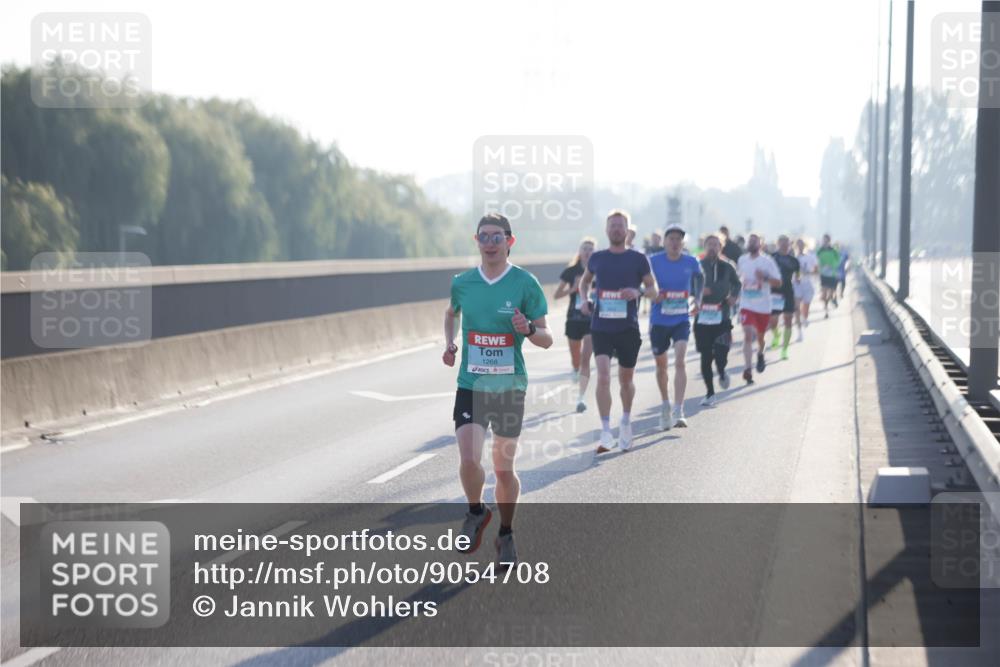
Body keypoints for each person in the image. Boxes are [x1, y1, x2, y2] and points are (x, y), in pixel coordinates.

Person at [443, 213, 553, 568]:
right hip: (471, 384)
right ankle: (476, 511)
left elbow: (547, 338)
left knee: (503, 469)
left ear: (510, 241)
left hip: (509, 387)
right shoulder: (462, 283)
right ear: (476, 241)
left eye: (496, 237)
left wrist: (527, 330)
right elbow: (452, 313)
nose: (490, 243)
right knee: (469, 459)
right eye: (483, 237)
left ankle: (506, 532)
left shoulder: (525, 283)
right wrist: (450, 343)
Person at [579, 209, 658, 453]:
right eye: (612, 225)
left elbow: (654, 290)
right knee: (602, 376)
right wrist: (584, 300)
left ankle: (625, 420)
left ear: (627, 230)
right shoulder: (597, 258)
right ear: (606, 230)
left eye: (620, 226)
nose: (616, 229)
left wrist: (639, 292)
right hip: (601, 325)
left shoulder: (638, 259)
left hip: (628, 328)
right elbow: (584, 282)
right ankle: (605, 431)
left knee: (626, 380)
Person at [648, 224, 703, 429]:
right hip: (659, 321)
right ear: (664, 242)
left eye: (678, 239)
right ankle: (665, 404)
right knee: (661, 366)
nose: (674, 242)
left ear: (683, 242)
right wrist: (654, 294)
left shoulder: (691, 261)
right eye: (671, 239)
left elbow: (699, 279)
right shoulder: (653, 262)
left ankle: (679, 409)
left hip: (681, 319)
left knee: (680, 361)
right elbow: (642, 285)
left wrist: (697, 300)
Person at [694, 235, 741, 406]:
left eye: (716, 244)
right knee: (705, 356)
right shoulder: (698, 265)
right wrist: (698, 292)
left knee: (721, 353)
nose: (712, 247)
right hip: (703, 317)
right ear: (704, 246)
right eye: (709, 244)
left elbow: (737, 284)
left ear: (720, 247)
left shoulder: (727, 266)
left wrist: (733, 297)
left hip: (722, 315)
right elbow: (688, 285)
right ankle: (710, 393)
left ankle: (721, 371)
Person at [554, 237, 597, 412]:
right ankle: (574, 368)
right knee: (576, 357)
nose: (588, 252)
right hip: (573, 318)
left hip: (591, 319)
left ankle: (581, 397)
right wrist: (573, 289)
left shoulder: (599, 270)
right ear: (580, 252)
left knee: (586, 357)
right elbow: (556, 295)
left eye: (591, 249)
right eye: (585, 249)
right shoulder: (570, 271)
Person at [737, 233, 782, 384]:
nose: (752, 243)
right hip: (746, 303)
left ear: (760, 244)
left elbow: (778, 283)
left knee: (760, 337)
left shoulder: (767, 262)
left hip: (763, 305)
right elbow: (738, 278)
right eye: (750, 240)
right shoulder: (742, 260)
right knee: (748, 334)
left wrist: (765, 278)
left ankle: (761, 353)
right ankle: (748, 369)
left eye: (755, 241)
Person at [767, 235, 800, 361]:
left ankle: (784, 349)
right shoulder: (771, 258)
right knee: (773, 321)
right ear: (777, 244)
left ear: (790, 244)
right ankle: (776, 335)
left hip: (788, 292)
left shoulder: (794, 261)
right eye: (782, 243)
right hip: (774, 292)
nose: (784, 245)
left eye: (786, 243)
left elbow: (798, 275)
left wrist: (798, 278)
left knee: (788, 320)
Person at [793, 238, 817, 340]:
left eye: (802, 244)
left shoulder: (811, 257)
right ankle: (799, 333)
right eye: (798, 245)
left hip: (808, 284)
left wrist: (808, 272)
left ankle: (804, 318)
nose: (800, 246)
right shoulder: (793, 258)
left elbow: (816, 271)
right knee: (797, 307)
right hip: (796, 285)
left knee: (806, 307)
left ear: (805, 245)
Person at [816, 234, 841, 318]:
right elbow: (816, 260)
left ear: (829, 241)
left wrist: (832, 265)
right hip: (823, 274)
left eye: (827, 240)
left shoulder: (834, 250)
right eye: (824, 240)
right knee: (824, 293)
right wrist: (821, 266)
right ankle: (826, 311)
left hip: (832, 274)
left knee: (830, 294)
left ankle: (833, 299)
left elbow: (838, 260)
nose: (825, 242)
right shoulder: (820, 250)